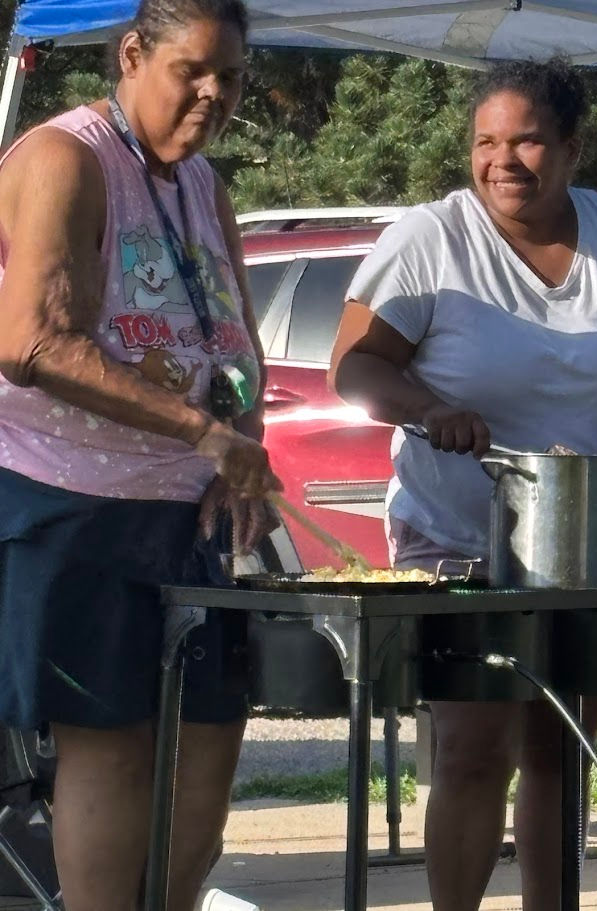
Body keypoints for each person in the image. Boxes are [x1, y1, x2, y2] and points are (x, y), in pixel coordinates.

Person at [330, 57, 597, 911]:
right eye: (484, 142)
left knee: (559, 749)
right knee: (471, 748)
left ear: (571, 147)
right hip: (458, 531)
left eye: (526, 141)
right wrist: (426, 404)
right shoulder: (429, 236)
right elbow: (355, 365)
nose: (501, 161)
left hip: (590, 532)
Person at [0, 2, 282, 910]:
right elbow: (32, 344)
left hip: (190, 514)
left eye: (231, 78)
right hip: (75, 501)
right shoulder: (64, 156)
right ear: (132, 54)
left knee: (210, 743)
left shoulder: (204, 184)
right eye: (192, 70)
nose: (212, 94)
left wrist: (244, 437)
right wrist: (197, 430)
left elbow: (236, 346)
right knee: (110, 744)